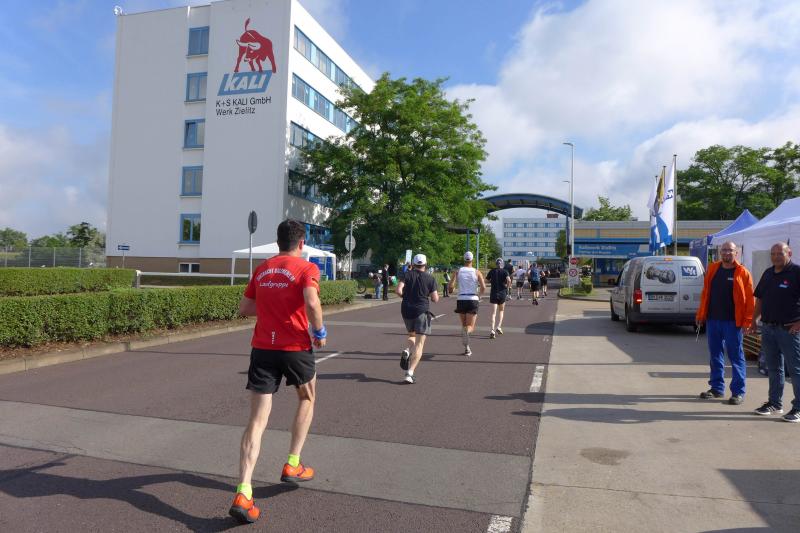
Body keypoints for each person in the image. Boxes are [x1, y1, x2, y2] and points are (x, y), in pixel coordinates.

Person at [230, 219, 326, 524]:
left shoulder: (263, 269)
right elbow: (312, 302)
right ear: (301, 243)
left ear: (278, 242)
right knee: (307, 397)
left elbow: (245, 308)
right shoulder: (307, 268)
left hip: (263, 348)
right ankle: (293, 463)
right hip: (295, 346)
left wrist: (272, 309)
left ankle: (244, 491)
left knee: (257, 421)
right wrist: (319, 331)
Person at [695, 242, 754, 405]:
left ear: (736, 253)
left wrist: (748, 321)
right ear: (720, 252)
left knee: (736, 357)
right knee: (715, 355)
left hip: (733, 322)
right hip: (713, 320)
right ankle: (716, 388)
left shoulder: (742, 272)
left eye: (730, 250)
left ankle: (738, 392)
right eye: (724, 250)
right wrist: (701, 314)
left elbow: (750, 299)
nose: (727, 253)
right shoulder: (713, 269)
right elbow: (705, 293)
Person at [748, 242, 800, 421]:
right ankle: (775, 403)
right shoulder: (768, 273)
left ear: (789, 253)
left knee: (795, 369)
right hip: (768, 328)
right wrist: (754, 320)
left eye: (780, 253)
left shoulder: (797, 272)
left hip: (789, 330)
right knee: (774, 368)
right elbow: (760, 299)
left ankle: (798, 407)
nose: (776, 257)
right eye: (773, 254)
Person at [397, 254, 440, 383]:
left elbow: (398, 290)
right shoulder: (430, 278)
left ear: (414, 264)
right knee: (420, 343)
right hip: (421, 311)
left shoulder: (407, 275)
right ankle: (410, 373)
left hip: (406, 310)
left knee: (412, 335)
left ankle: (407, 350)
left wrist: (405, 297)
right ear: (425, 264)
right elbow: (435, 299)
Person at [448, 251, 486, 356]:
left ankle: (467, 348)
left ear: (464, 259)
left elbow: (450, 287)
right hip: (472, 298)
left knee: (464, 325)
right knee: (470, 327)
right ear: (472, 260)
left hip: (461, 299)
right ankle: (467, 336)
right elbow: (483, 287)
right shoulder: (477, 272)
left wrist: (452, 288)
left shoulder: (458, 271)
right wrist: (479, 296)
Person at [486, 258, 511, 339]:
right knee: (501, 311)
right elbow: (509, 280)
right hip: (502, 293)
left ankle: (492, 330)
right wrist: (507, 288)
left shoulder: (492, 271)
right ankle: (499, 327)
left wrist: (491, 281)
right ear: (502, 264)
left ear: (496, 264)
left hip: (493, 293)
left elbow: (486, 280)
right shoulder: (505, 271)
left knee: (493, 313)